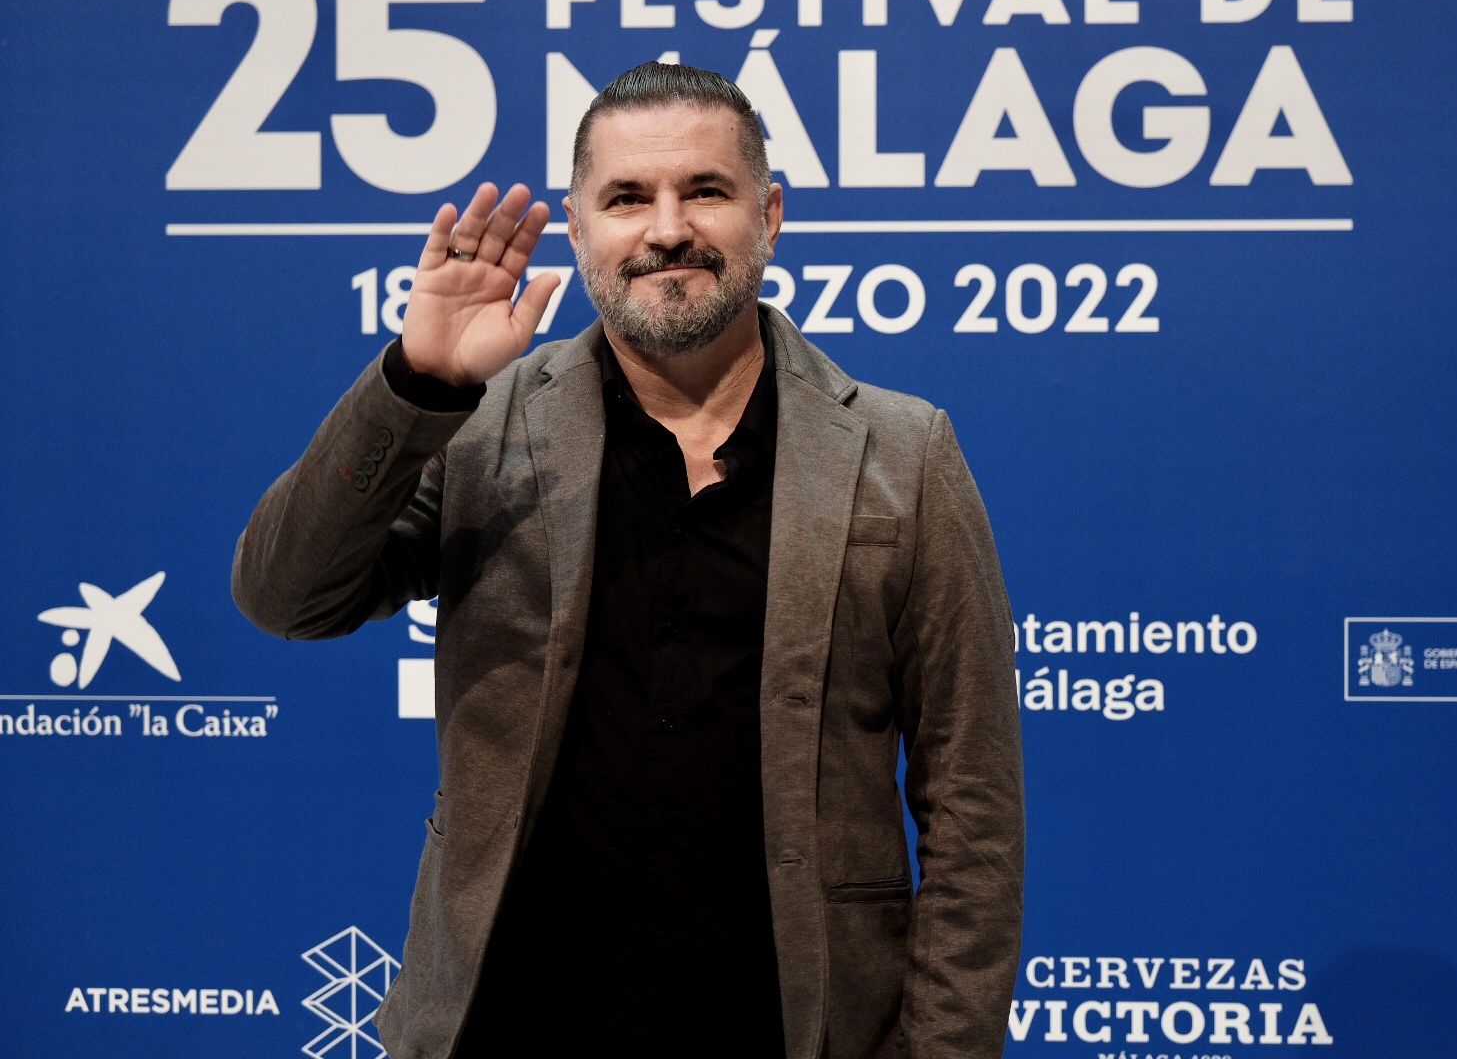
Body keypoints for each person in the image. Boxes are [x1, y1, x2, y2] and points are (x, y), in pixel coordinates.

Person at [233, 62, 1024, 1059]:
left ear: (769, 215)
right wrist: (418, 381)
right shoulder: (481, 427)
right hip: (507, 1025)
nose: (666, 228)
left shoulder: (905, 452)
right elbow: (285, 596)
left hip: (797, 1025)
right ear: (577, 227)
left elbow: (974, 807)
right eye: (626, 198)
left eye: (705, 190)